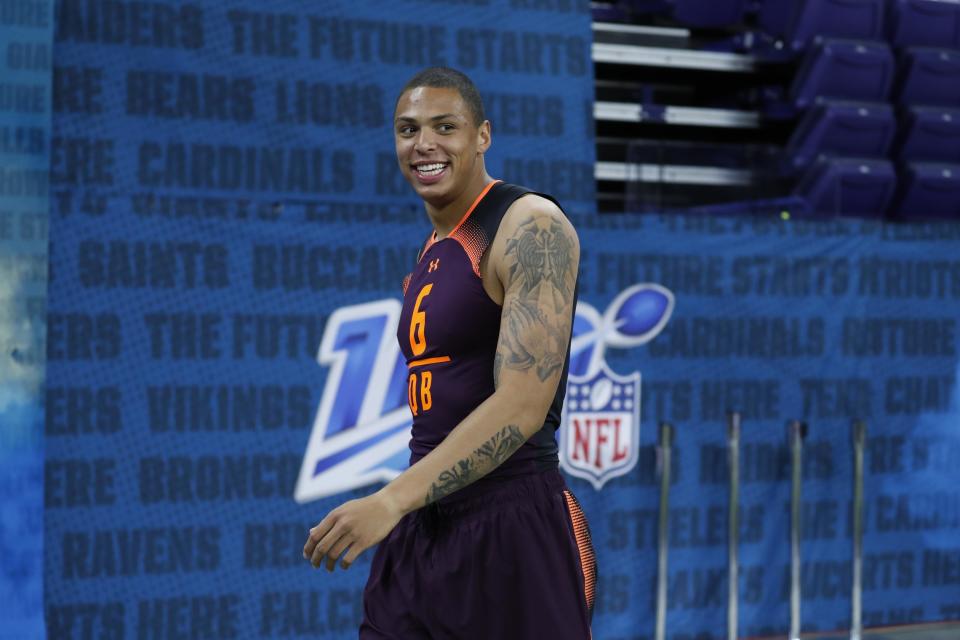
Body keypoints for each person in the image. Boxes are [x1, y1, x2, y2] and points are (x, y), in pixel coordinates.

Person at [303, 66, 596, 639]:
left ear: (482, 135)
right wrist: (405, 505)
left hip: (513, 526)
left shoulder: (531, 226)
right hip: (425, 520)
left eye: (445, 126)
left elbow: (520, 407)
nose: (424, 144)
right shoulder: (433, 248)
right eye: (408, 130)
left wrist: (389, 502)